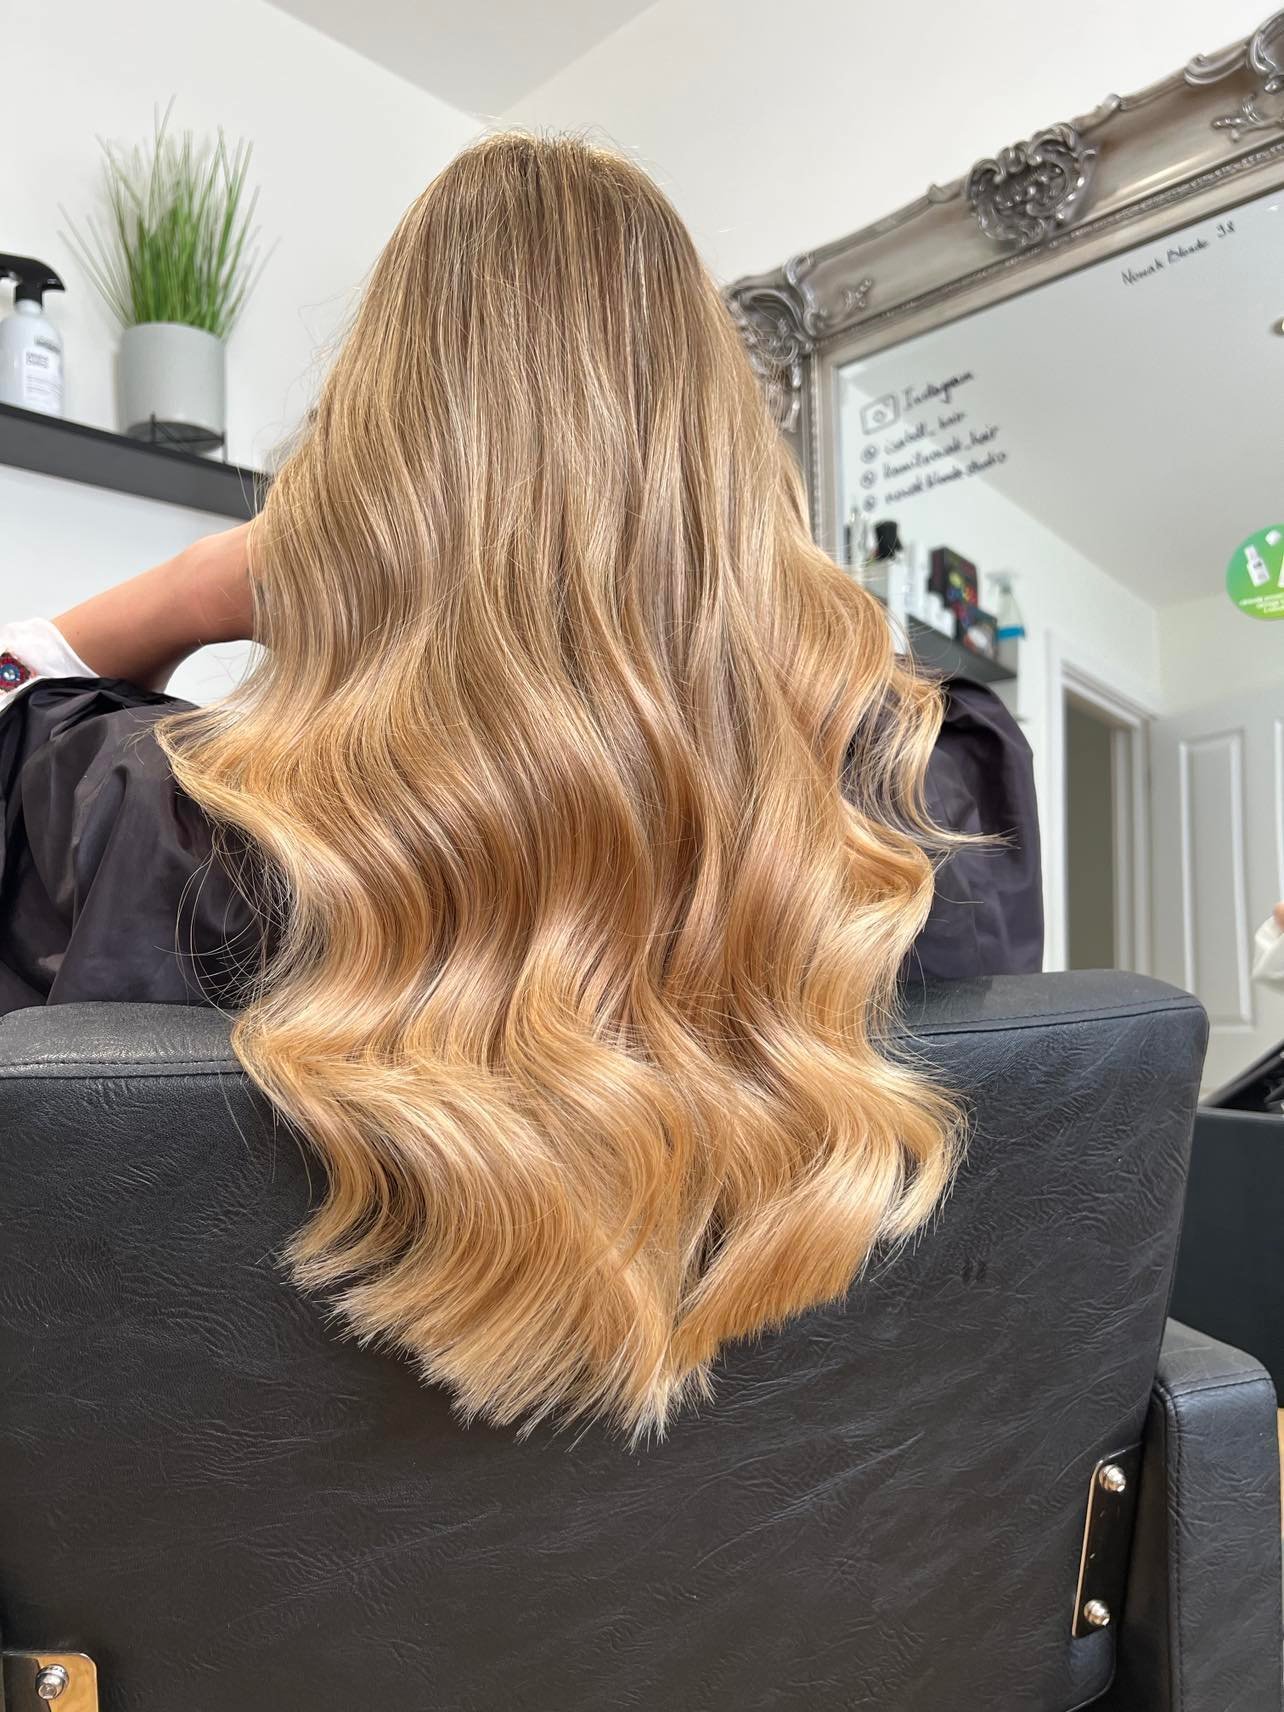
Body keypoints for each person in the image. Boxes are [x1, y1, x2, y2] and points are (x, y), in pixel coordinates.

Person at [0, 133, 1039, 1437]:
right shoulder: (926, 786)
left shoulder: (141, 804)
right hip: (807, 1536)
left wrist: (202, 585)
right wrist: (737, 606)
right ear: (723, 464)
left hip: (271, 1539)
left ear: (367, 474)